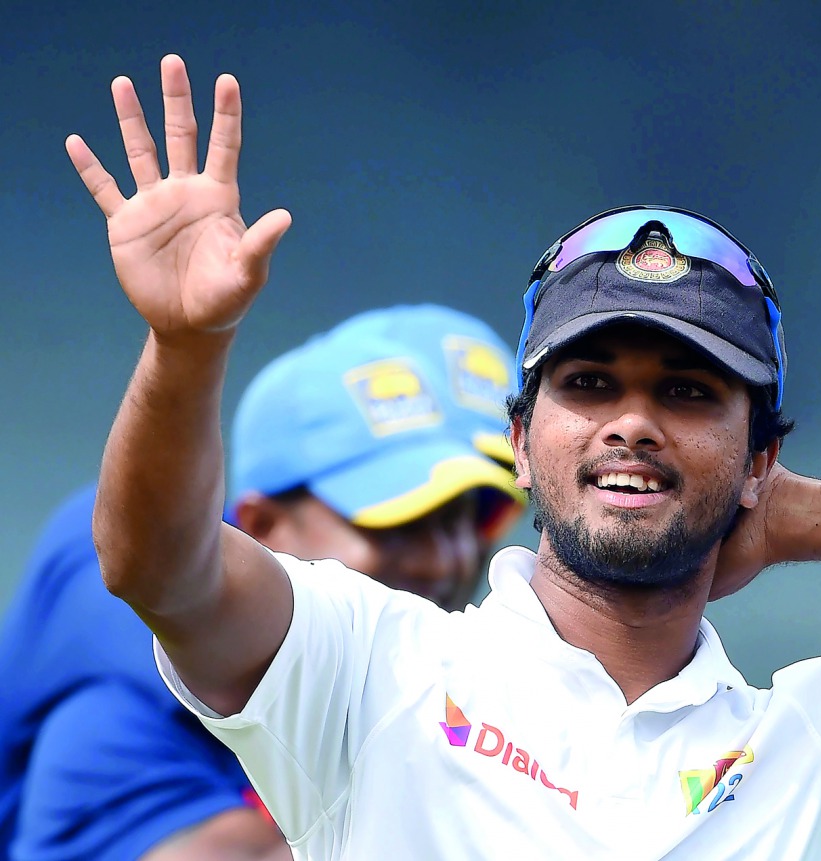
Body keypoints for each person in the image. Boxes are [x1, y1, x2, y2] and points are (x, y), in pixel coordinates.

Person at [71, 55, 821, 860]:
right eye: (590, 384)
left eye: (690, 394)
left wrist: (803, 514)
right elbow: (153, 564)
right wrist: (185, 346)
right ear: (521, 441)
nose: (634, 422)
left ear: (761, 457)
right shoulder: (372, 666)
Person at [0, 304, 524, 860]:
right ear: (263, 526)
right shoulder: (135, 660)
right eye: (398, 521)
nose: (446, 560)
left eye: (474, 513)